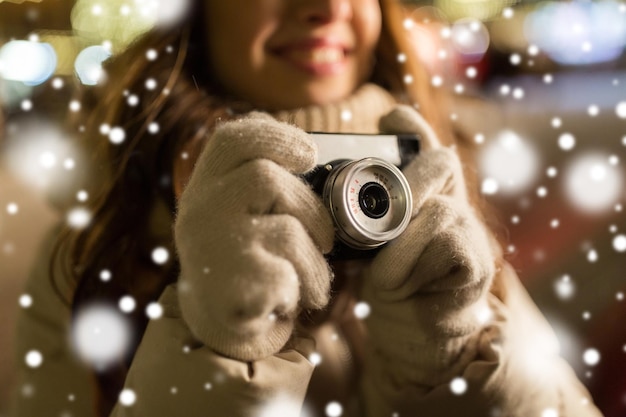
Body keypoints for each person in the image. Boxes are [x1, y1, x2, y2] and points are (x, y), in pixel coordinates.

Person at [12, 0, 605, 416]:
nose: (326, 6)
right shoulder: (100, 249)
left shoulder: (441, 193)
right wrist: (216, 351)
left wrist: (458, 358)